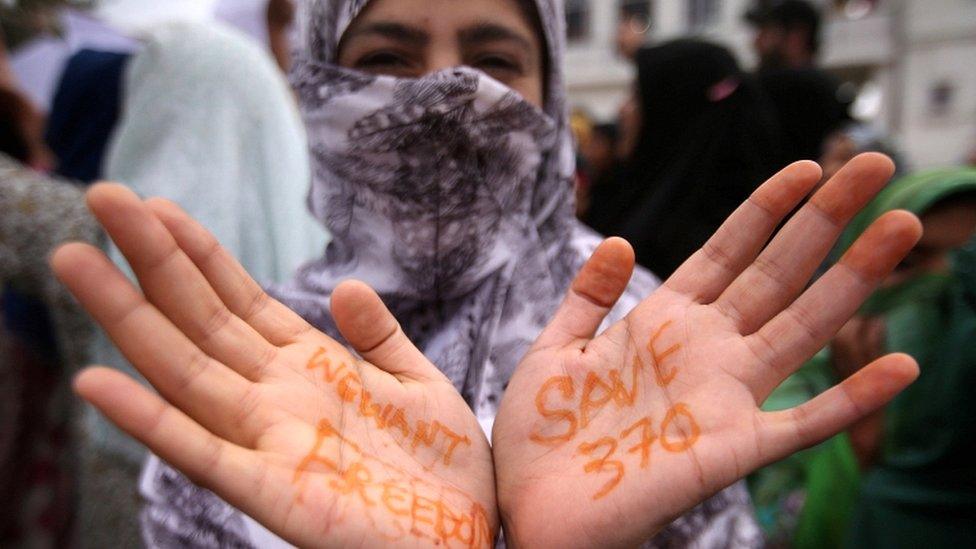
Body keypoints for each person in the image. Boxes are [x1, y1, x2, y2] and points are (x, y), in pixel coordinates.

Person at [53, 0, 922, 547]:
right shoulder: (261, 360)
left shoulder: (643, 336)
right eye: (387, 57)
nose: (443, 91)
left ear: (549, 98)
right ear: (315, 86)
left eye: (495, 60)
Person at [587, 39, 783, 278]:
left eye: (638, 96)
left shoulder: (694, 242)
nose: (623, 110)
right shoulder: (628, 195)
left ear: (672, 110)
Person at [744, 0, 851, 163]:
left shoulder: (774, 87)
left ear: (797, 35)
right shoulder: (832, 87)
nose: (756, 42)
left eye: (765, 31)